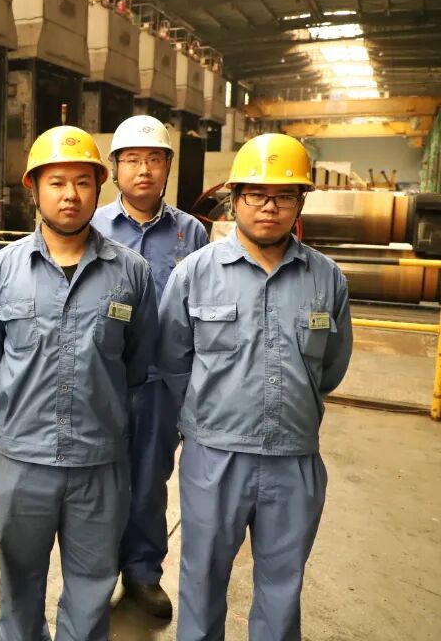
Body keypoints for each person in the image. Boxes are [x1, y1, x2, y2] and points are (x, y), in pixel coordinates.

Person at [157, 133, 352, 641]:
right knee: (202, 580)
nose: (269, 206)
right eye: (256, 194)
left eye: (284, 195)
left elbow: (331, 367)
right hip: (214, 457)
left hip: (294, 458)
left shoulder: (326, 279)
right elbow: (172, 361)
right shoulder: (194, 275)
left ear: (300, 202)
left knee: (282, 586)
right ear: (235, 199)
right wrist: (206, 417)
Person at [0, 126, 158, 640]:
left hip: (100, 464)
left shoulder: (132, 274)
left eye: (82, 181)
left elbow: (137, 364)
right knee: (18, 587)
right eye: (56, 182)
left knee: (93, 588)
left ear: (99, 188)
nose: (70, 194)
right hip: (22, 463)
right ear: (34, 188)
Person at [90, 115, 208, 618]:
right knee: (97, 480)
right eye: (133, 160)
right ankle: (94, 574)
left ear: (167, 167)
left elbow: (200, 311)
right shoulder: (92, 226)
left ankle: (142, 572)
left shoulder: (190, 232)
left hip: (160, 383)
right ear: (115, 168)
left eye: (154, 159)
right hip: (103, 380)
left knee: (149, 479)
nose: (143, 170)